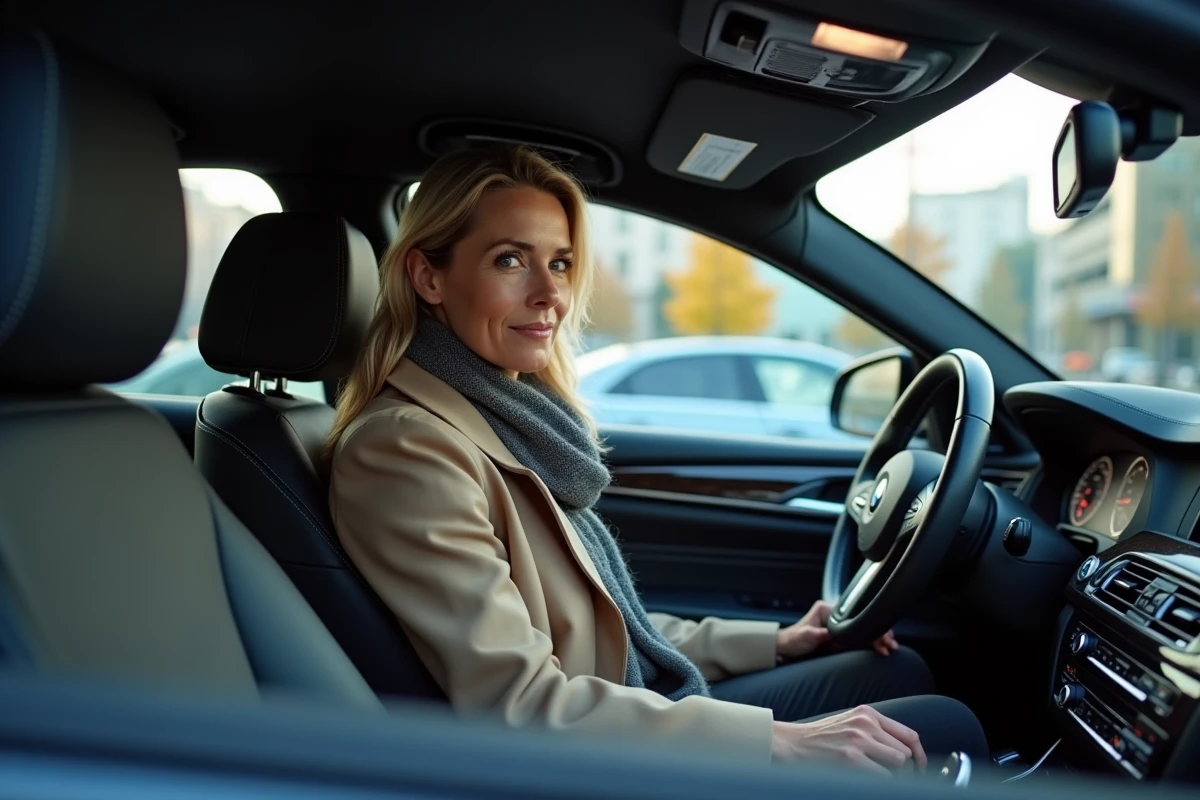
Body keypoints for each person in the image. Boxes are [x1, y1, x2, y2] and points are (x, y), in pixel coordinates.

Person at [326, 145, 988, 774]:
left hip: (616, 716)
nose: (550, 295)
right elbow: (518, 703)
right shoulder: (408, 449)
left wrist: (777, 639)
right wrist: (779, 743)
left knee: (893, 674)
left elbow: (609, 627)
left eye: (559, 263)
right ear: (428, 276)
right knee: (941, 725)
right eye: (509, 260)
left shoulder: (501, 418)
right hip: (590, 762)